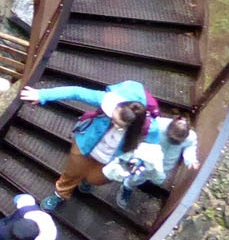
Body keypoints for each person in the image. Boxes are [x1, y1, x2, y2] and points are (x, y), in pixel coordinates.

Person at [19, 79, 150, 210]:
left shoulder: (146, 127)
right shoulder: (109, 101)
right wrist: (43, 95)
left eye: (118, 123)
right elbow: (76, 92)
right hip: (85, 146)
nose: (113, 122)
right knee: (72, 174)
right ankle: (61, 194)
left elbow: (152, 147)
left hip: (108, 159)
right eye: (112, 118)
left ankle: (87, 180)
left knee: (95, 179)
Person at [103, 112, 200, 207]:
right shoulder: (158, 125)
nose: (173, 142)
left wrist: (191, 160)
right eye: (171, 139)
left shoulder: (191, 137)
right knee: (136, 177)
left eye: (177, 142)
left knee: (155, 178)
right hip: (148, 160)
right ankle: (127, 187)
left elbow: (190, 147)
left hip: (166, 166)